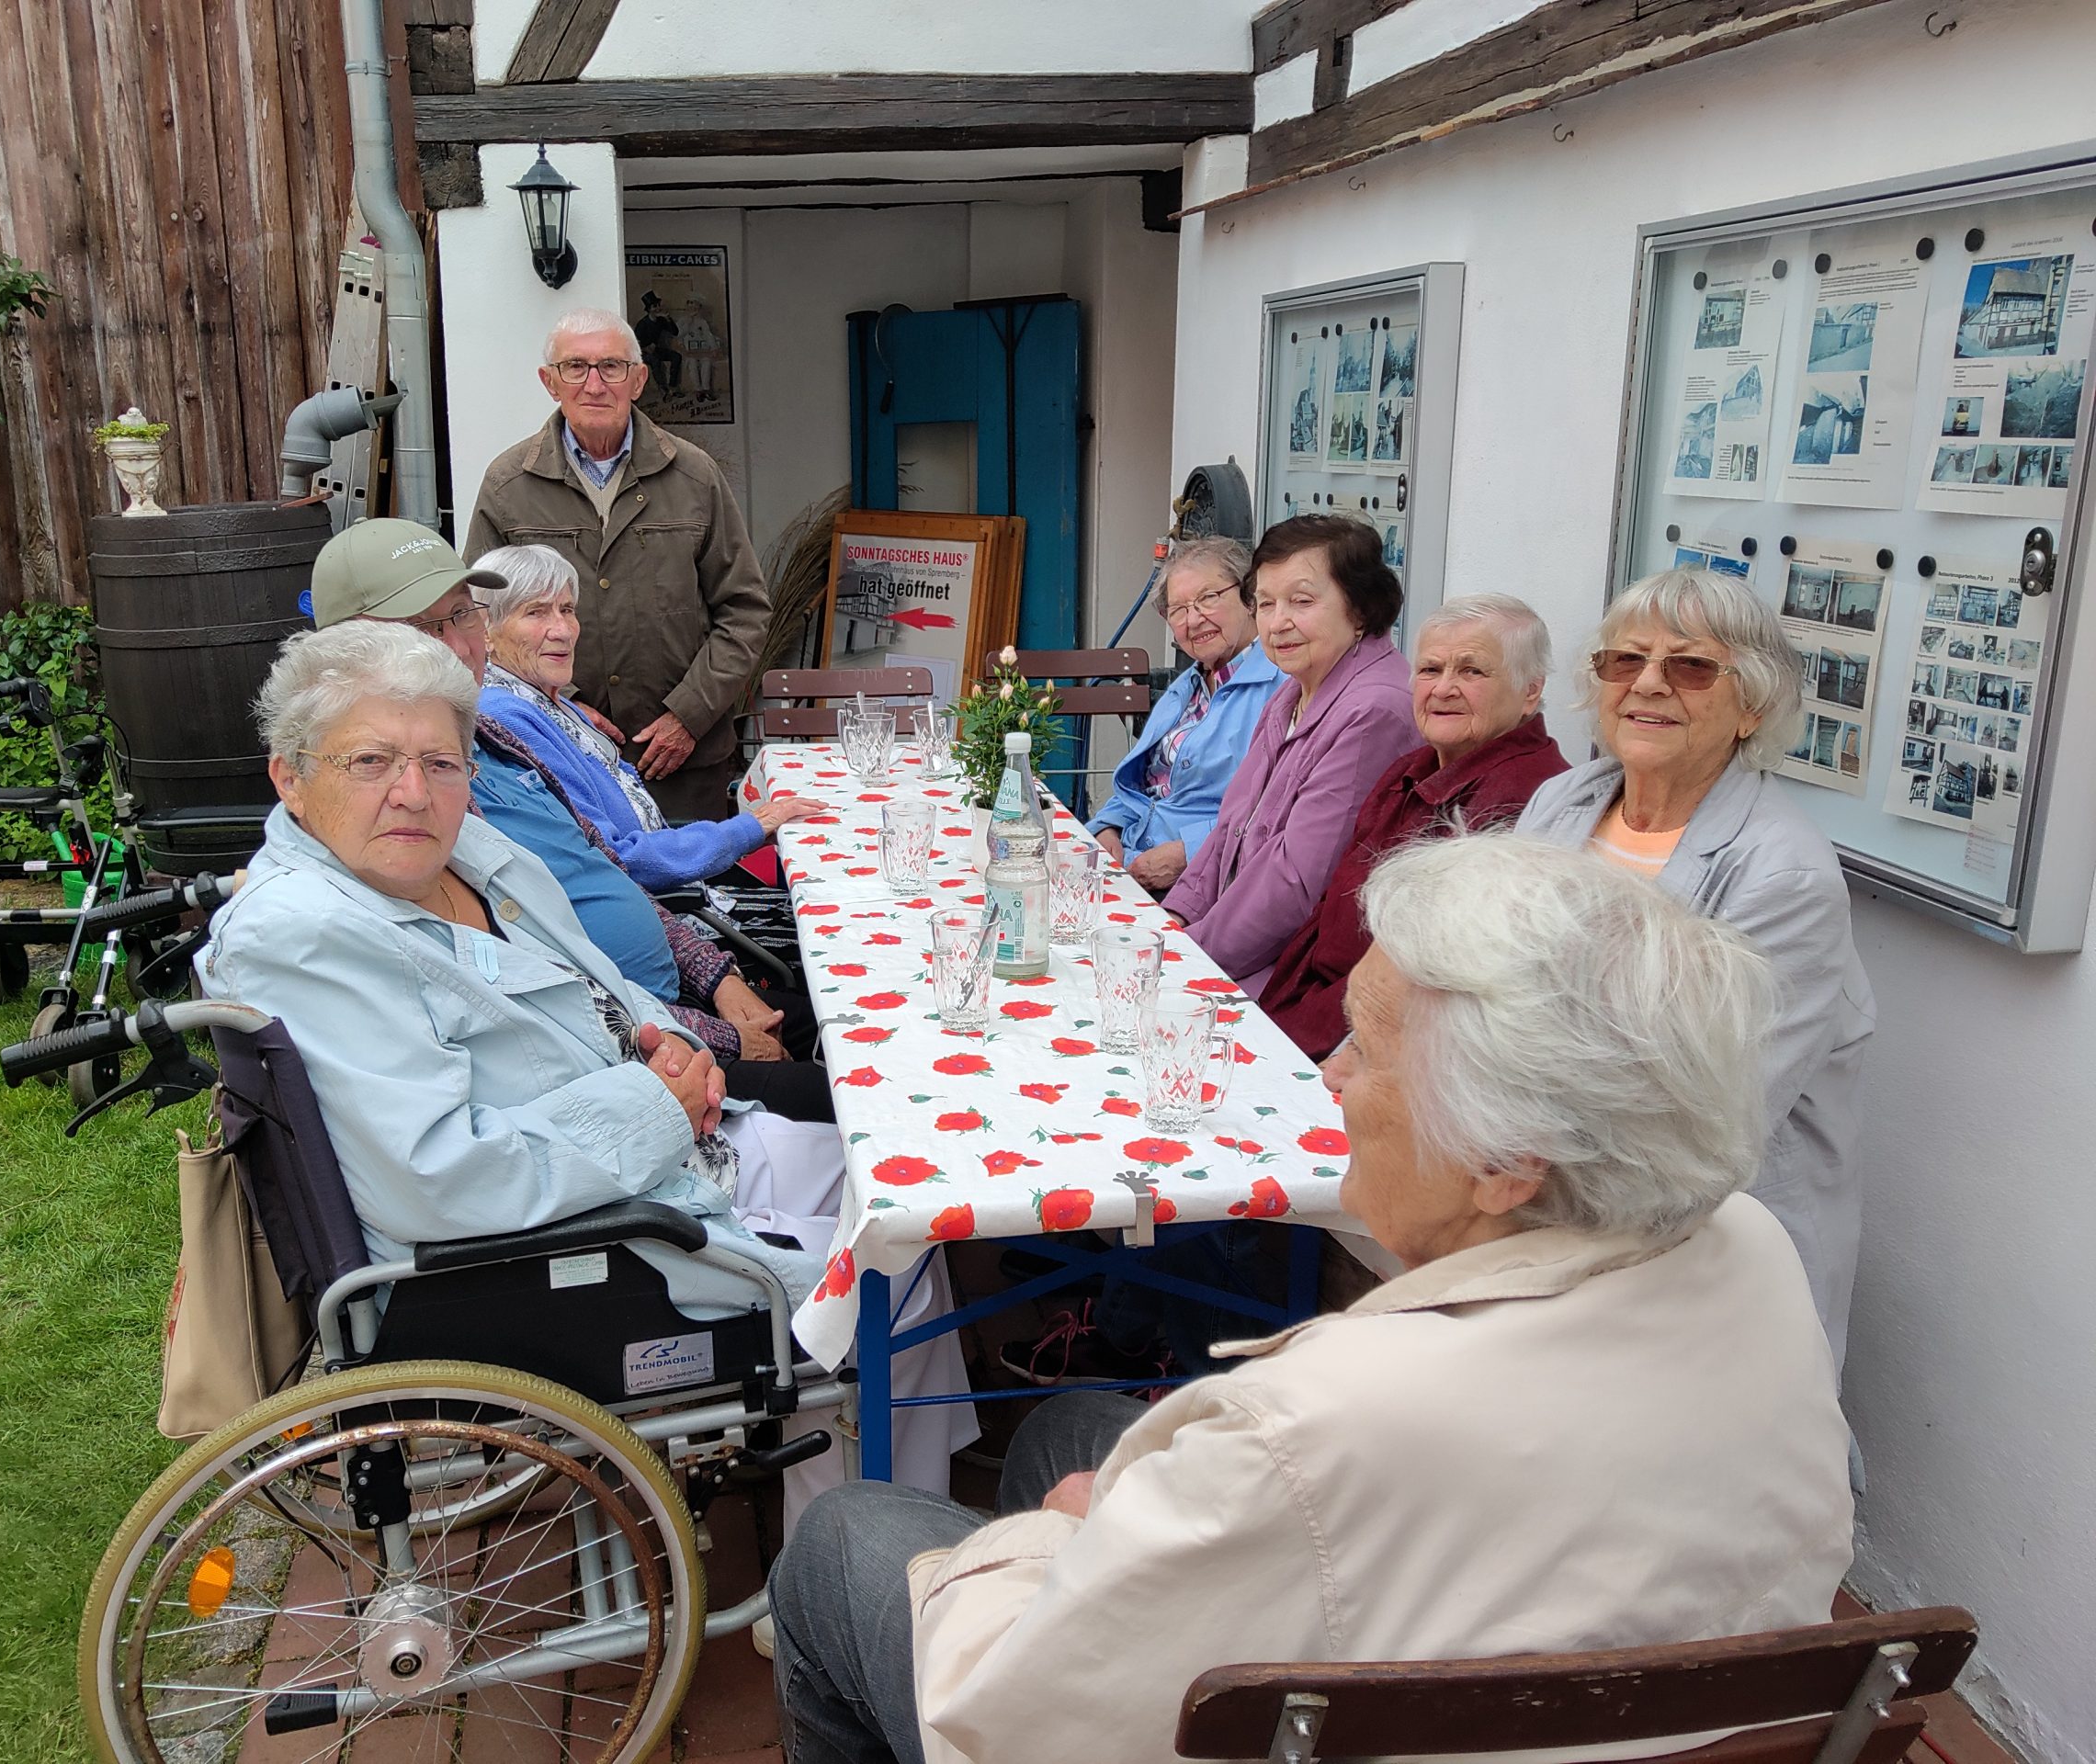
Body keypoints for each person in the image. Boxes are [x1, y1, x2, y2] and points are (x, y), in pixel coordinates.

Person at [767, 834, 1854, 1764]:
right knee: (1069, 1428)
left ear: (1507, 1160)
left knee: (843, 1537)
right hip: (1615, 1691)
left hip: (1366, 1678)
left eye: (1366, 1050)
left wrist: (1054, 1545)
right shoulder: (1752, 1250)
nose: (1327, 1076)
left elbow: (1011, 1717)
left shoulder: (1316, 1419)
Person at [198, 621, 971, 1510]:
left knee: (908, 1196)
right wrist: (658, 1105)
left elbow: (594, 977)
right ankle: (867, 1553)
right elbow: (439, 1176)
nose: (413, 792)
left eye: (441, 763)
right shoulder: (303, 935)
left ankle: (896, 1512)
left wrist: (670, 1041)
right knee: (892, 1280)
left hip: (651, 1169)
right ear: (290, 777)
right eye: (370, 762)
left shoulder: (465, 853)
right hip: (562, 1254)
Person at [306, 517, 828, 1121]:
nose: (458, 646)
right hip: (634, 1058)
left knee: (849, 1022)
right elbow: (549, 992)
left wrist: (718, 980)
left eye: (462, 615)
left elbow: (603, 870)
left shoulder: (494, 740)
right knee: (847, 1095)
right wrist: (718, 1034)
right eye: (424, 627)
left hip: (671, 1002)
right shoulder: (420, 808)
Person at [1518, 568, 1874, 1368]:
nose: (1648, 684)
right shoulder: (1565, 802)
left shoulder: (1783, 876)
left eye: (1691, 666)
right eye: (1625, 660)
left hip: (1700, 1235)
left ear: (1753, 707)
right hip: (1541, 1189)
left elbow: (1703, 1112)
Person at [465, 308, 769, 821]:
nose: (594, 384)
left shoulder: (695, 476)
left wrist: (688, 714)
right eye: (575, 367)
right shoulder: (508, 484)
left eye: (611, 366)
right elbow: (477, 618)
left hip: (680, 762)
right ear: (549, 382)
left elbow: (745, 611)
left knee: (697, 870)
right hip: (555, 762)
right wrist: (563, 709)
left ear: (639, 379)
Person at [1263, 593, 1569, 1060]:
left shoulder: (1526, 798)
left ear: (1530, 690)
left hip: (1369, 1046)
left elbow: (1433, 977)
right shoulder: (1412, 768)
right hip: (1309, 1014)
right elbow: (1329, 912)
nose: (1443, 689)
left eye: (1472, 671)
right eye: (1430, 669)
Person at [1162, 514, 1417, 994]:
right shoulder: (1294, 691)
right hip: (1229, 950)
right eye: (1265, 603)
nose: (1278, 623)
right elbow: (1230, 827)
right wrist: (1175, 917)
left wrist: (1186, 957)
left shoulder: (1373, 711)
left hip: (1293, 976)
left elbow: (1296, 883)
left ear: (1361, 609)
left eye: (1302, 601)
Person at [474, 542, 824, 889]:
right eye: (535, 613)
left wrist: (746, 831)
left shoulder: (546, 700)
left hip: (667, 884)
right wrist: (747, 829)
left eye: (567, 609)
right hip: (654, 905)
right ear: (485, 631)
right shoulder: (508, 717)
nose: (562, 630)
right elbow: (614, 857)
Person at [1084, 537, 1283, 894]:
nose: (1193, 620)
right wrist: (1108, 826)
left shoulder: (1282, 688)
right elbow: (1147, 784)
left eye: (1209, 598)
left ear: (1249, 597)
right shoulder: (1190, 683)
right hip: (1132, 861)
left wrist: (1189, 853)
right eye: (1178, 610)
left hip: (1206, 884)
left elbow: (1278, 812)